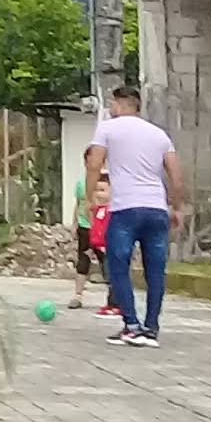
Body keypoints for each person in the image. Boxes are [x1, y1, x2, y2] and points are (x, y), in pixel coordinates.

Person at [84, 86, 184, 348]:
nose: (111, 109)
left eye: (112, 104)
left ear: (119, 104)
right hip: (156, 209)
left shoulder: (108, 128)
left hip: (125, 208)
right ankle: (151, 328)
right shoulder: (158, 134)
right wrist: (177, 207)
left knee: (118, 265)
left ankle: (130, 325)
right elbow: (174, 172)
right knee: (155, 271)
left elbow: (95, 163)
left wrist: (88, 196)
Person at [79, 174, 116, 316]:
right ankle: (111, 303)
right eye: (96, 190)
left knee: (113, 277)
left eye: (102, 190)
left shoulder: (110, 211)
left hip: (110, 249)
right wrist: (91, 247)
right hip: (99, 248)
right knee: (107, 277)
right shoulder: (97, 210)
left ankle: (117, 304)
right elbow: (95, 230)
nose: (98, 194)